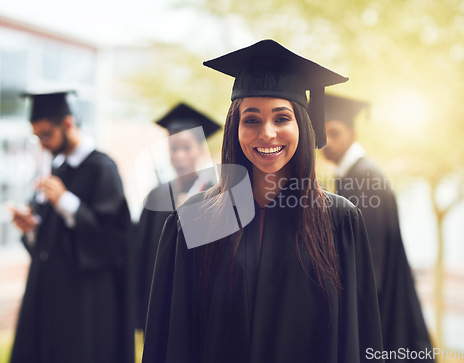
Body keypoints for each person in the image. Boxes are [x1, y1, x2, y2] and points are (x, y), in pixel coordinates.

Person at [142, 39, 385, 363]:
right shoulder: (195, 220)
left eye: (282, 118)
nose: (267, 132)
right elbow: (170, 337)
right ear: (235, 128)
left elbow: (357, 337)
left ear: (303, 125)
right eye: (252, 119)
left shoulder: (339, 220)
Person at [9, 91, 134, 363]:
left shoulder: (102, 168)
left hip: (85, 299)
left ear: (67, 124)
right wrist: (31, 228)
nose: (43, 144)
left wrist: (66, 201)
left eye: (45, 135)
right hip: (48, 290)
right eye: (37, 137)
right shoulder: (56, 168)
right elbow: (50, 237)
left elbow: (113, 239)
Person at [322, 93, 434, 362]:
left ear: (353, 132)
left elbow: (370, 262)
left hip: (382, 309)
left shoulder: (364, 178)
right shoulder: (354, 175)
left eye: (334, 133)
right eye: (322, 135)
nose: (327, 143)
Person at [135, 102, 221, 330]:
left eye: (186, 147)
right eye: (174, 148)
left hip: (202, 306)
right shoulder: (157, 196)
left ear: (201, 149)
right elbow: (141, 256)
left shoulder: (216, 195)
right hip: (161, 304)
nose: (179, 156)